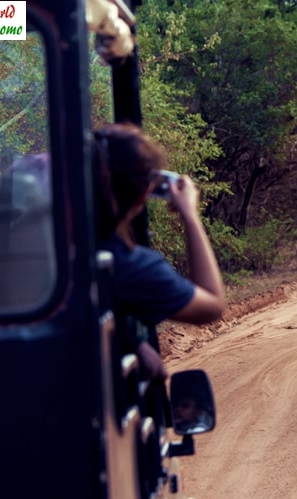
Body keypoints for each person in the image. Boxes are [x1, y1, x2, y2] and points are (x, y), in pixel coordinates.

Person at [92, 123, 226, 377]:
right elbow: (213, 304)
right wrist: (189, 215)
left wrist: (133, 341)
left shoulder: (55, 249)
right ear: (144, 194)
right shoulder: (132, 266)